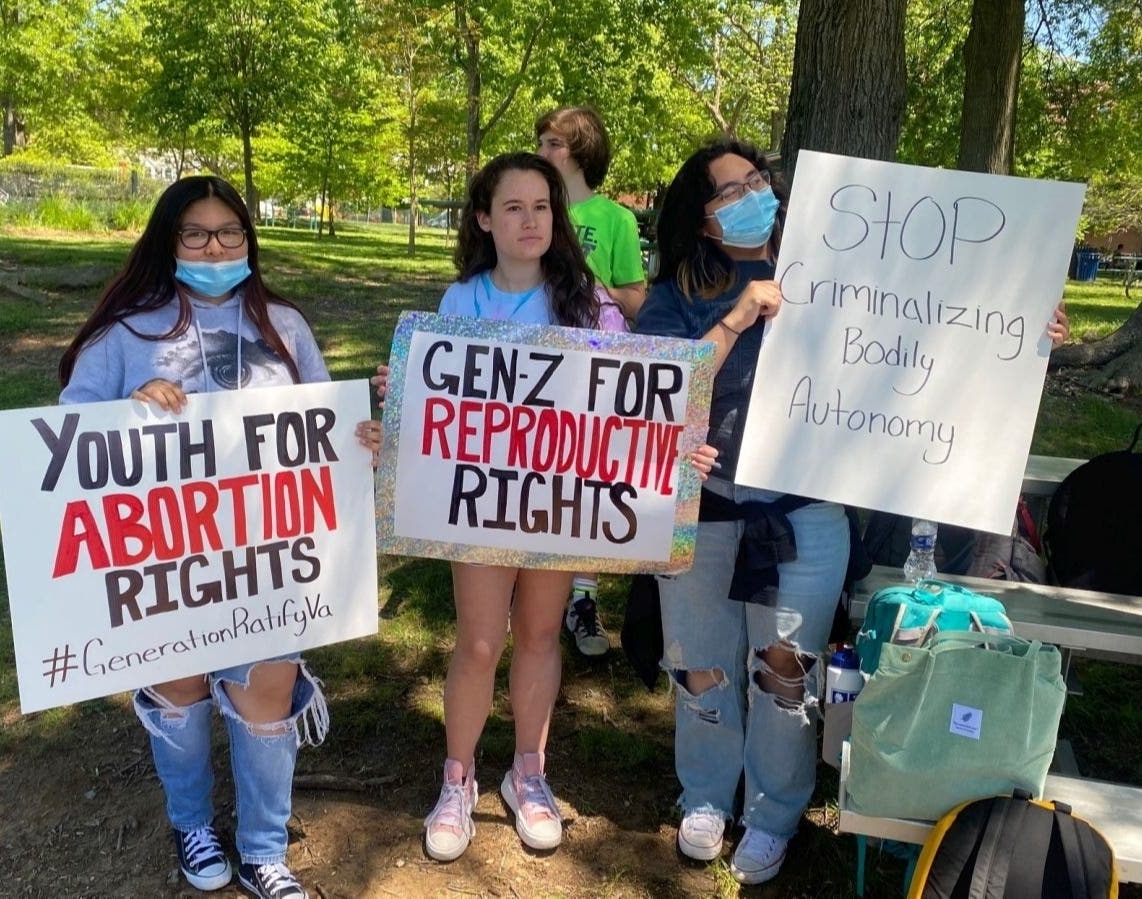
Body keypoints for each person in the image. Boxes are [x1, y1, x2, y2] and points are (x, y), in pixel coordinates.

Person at [633, 138, 1072, 886]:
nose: (753, 194)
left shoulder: (838, 272)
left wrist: (1021, 330)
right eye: (730, 190)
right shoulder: (676, 292)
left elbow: (933, 336)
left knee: (784, 671)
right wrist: (737, 317)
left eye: (758, 180)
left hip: (803, 515)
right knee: (699, 663)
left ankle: (774, 811)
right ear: (702, 220)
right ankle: (706, 792)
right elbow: (654, 390)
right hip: (699, 510)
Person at [58, 175, 382, 899]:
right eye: (196, 233)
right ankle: (192, 822)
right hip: (164, 556)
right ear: (168, 241)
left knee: (266, 682)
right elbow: (67, 434)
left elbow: (320, 421)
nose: (214, 245)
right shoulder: (127, 330)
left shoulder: (284, 327)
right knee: (180, 683)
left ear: (249, 240)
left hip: (267, 556)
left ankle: (265, 848)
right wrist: (129, 409)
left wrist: (357, 436)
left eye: (229, 232)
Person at [415, 151, 713, 863]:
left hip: (557, 501)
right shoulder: (461, 302)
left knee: (542, 636)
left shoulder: (592, 303)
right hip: (482, 503)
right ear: (484, 219)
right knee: (481, 641)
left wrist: (678, 447)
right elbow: (440, 405)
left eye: (542, 207)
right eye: (513, 207)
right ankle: (457, 779)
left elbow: (631, 404)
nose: (530, 220)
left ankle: (529, 771)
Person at [535, 105, 647, 659]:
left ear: (581, 151)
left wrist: (592, 288)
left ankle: (581, 597)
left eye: (553, 143)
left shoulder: (616, 220)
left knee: (587, 478)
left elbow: (636, 298)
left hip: (591, 372)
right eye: (540, 141)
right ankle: (532, 589)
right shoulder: (531, 211)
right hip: (533, 373)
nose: (542, 151)